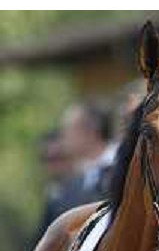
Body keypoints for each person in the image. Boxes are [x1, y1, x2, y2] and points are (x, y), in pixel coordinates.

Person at [37, 100, 115, 234]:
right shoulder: (70, 183)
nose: (62, 138)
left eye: (67, 130)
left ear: (90, 131)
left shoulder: (124, 168)